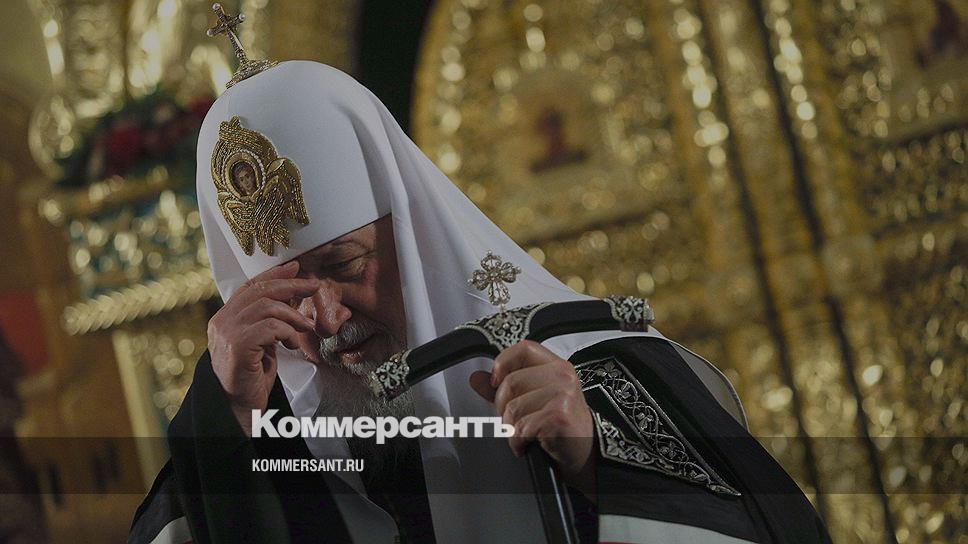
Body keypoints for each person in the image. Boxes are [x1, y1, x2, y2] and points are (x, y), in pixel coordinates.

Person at [128, 60, 830, 544]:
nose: (328, 319)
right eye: (286, 296)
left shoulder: (596, 371)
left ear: (412, 232)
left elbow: (771, 529)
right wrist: (227, 420)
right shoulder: (258, 433)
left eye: (344, 265)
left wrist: (598, 464)